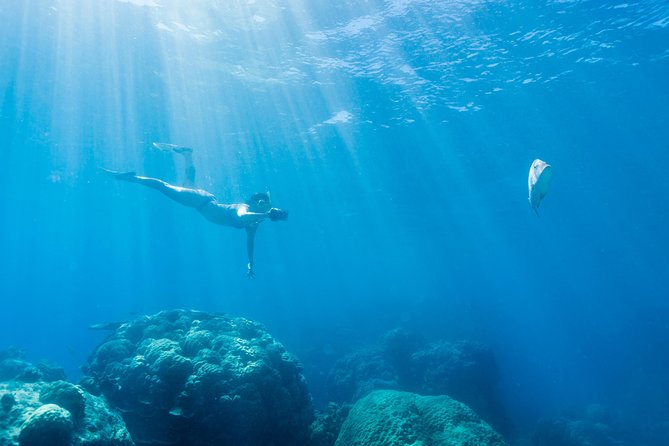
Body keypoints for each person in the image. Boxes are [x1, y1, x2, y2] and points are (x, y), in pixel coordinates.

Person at [102, 169, 288, 278]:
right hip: (202, 202)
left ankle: (186, 155)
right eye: (261, 202)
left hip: (202, 203)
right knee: (164, 187)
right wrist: (266, 214)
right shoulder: (244, 207)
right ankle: (128, 177)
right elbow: (241, 215)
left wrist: (250, 264)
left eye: (266, 204)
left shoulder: (255, 222)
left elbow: (250, 242)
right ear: (254, 202)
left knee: (187, 184)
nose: (263, 206)